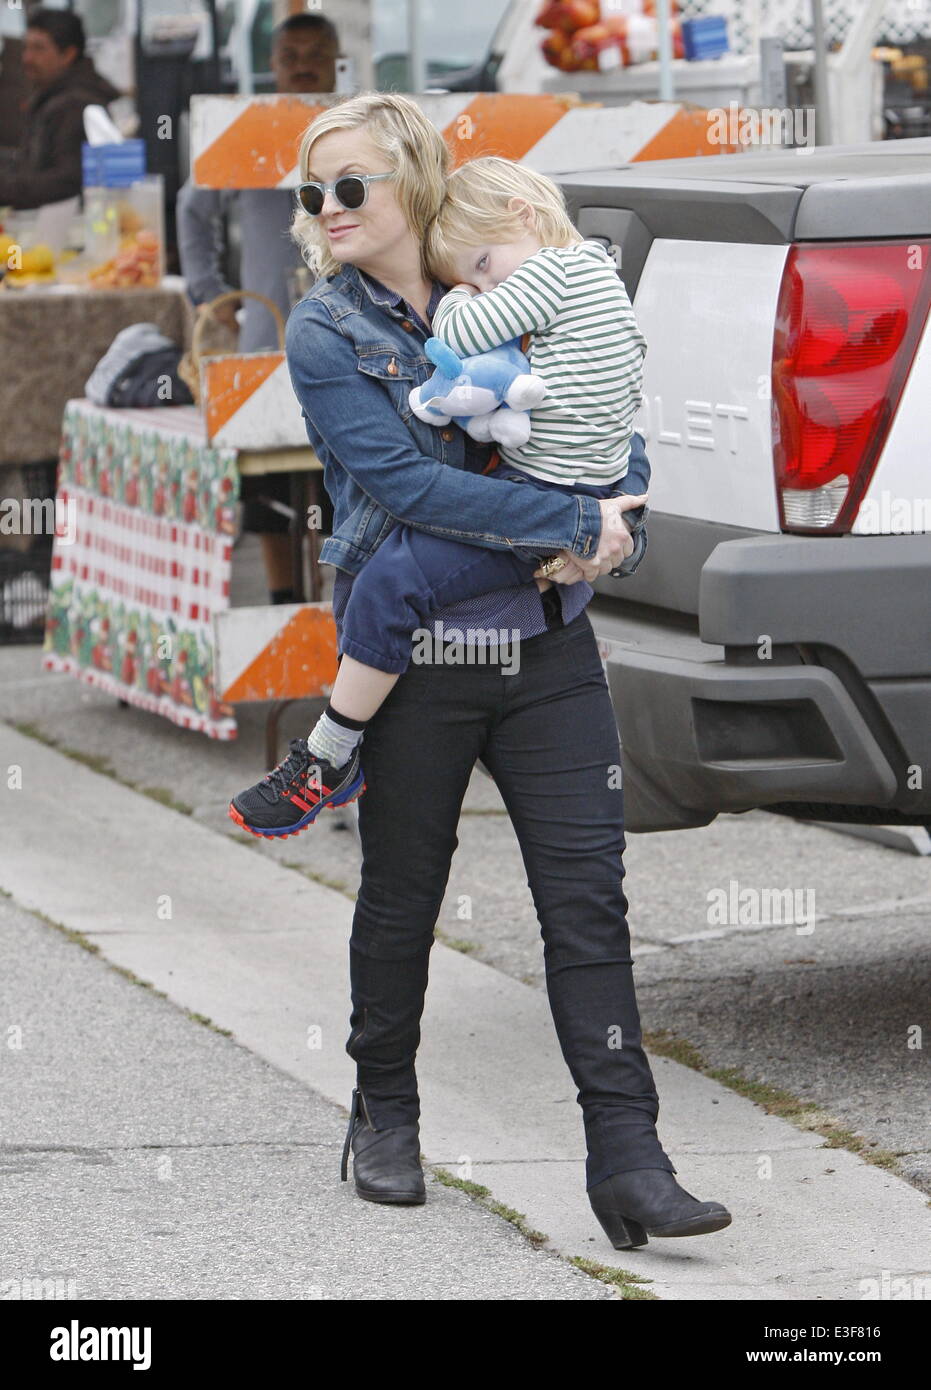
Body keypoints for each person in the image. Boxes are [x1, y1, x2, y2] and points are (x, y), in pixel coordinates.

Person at [229, 91, 731, 1250]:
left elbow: (610, 415)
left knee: (586, 900)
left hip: (549, 645)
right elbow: (409, 491)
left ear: (410, 179)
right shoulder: (327, 330)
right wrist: (569, 512)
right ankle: (386, 1111)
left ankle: (629, 1157)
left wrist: (620, 515)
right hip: (416, 660)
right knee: (404, 892)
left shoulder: (514, 280)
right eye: (314, 193)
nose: (329, 209)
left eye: (351, 185)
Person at [230, 155, 651, 834]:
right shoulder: (593, 277)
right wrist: (593, 525)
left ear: (523, 216)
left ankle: (327, 752)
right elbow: (619, 423)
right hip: (570, 497)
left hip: (544, 526)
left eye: (483, 266)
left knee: (389, 584)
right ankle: (328, 753)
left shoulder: (550, 272)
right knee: (552, 873)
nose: (481, 286)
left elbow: (457, 340)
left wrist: (459, 299)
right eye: (314, 193)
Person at [176, 11, 341, 604]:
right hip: (267, 337)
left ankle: (345, 611)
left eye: (314, 54)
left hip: (351, 339)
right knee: (273, 489)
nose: (301, 65)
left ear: (336, 61)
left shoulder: (358, 130)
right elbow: (192, 208)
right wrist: (208, 292)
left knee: (346, 483)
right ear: (271, 65)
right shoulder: (244, 132)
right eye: (289, 55)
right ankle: (284, 604)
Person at [0, 8, 121, 210]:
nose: (27, 58)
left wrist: (6, 189)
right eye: (26, 48)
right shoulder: (52, 98)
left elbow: (67, 181)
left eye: (39, 48)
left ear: (68, 54)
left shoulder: (76, 106)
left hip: (67, 232)